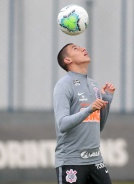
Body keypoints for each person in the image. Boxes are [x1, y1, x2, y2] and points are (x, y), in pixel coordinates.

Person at [53, 43, 115, 184]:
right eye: (76, 48)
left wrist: (107, 101)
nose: (83, 49)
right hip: (71, 161)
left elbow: (98, 126)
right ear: (68, 60)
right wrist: (89, 109)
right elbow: (62, 124)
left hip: (95, 160)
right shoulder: (63, 85)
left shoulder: (94, 85)